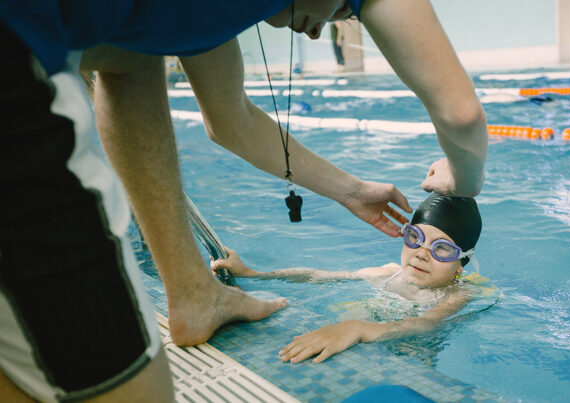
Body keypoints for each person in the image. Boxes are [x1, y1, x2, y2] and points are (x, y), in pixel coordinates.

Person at [1, 0, 487, 400]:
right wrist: (461, 181)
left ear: (461, 261)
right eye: (345, 9)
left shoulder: (191, 19)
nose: (321, 33)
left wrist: (352, 194)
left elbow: (140, 74)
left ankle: (192, 291)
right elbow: (462, 114)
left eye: (442, 248)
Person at [211, 193, 483, 363]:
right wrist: (254, 274)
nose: (422, 254)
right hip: (355, 338)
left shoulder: (458, 294)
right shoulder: (388, 273)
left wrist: (359, 328)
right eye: (415, 238)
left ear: (462, 262)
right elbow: (318, 277)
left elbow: (427, 324)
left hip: (407, 354)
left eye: (442, 249)